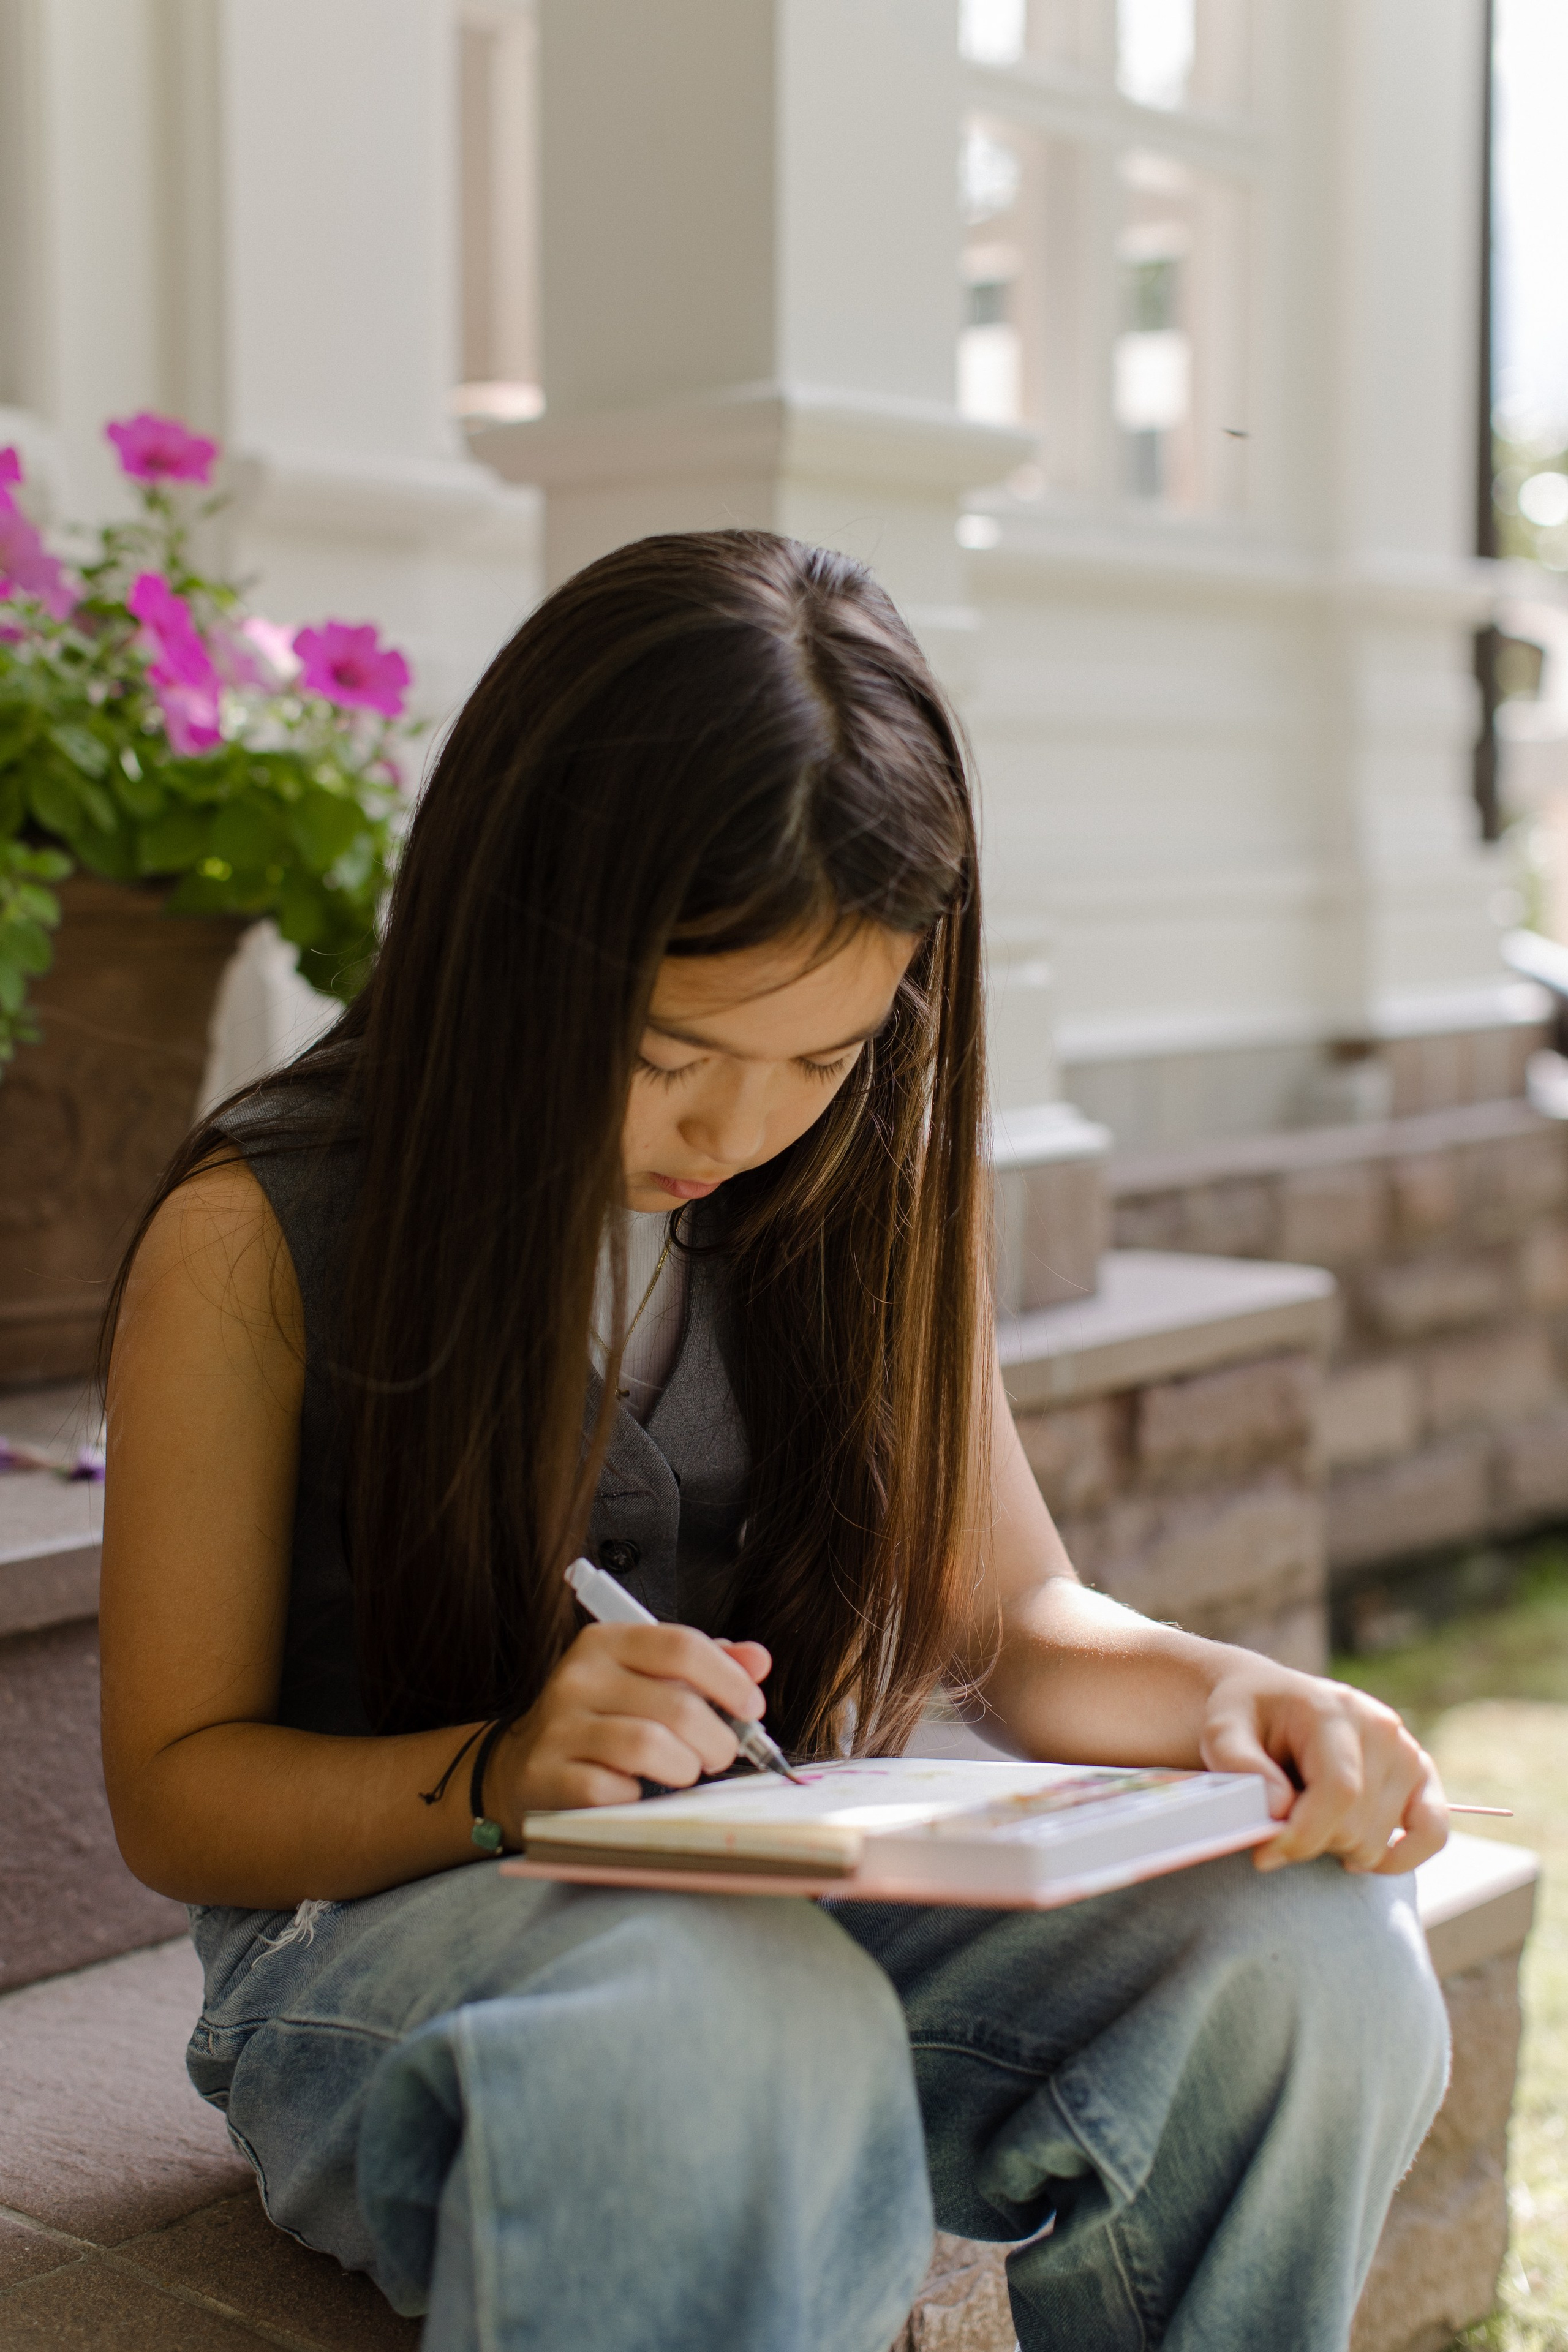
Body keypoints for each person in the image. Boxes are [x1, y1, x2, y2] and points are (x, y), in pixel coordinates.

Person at [100, 531, 1450, 2352]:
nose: (740, 1124)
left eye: (822, 1057)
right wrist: (498, 1772)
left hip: (780, 1899)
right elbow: (178, 1788)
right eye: (672, 1049)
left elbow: (1022, 1624)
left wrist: (1241, 1699)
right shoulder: (264, 1233)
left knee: (1310, 1966)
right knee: (737, 2027)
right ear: (523, 934)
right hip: (380, 1940)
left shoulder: (858, 1184)